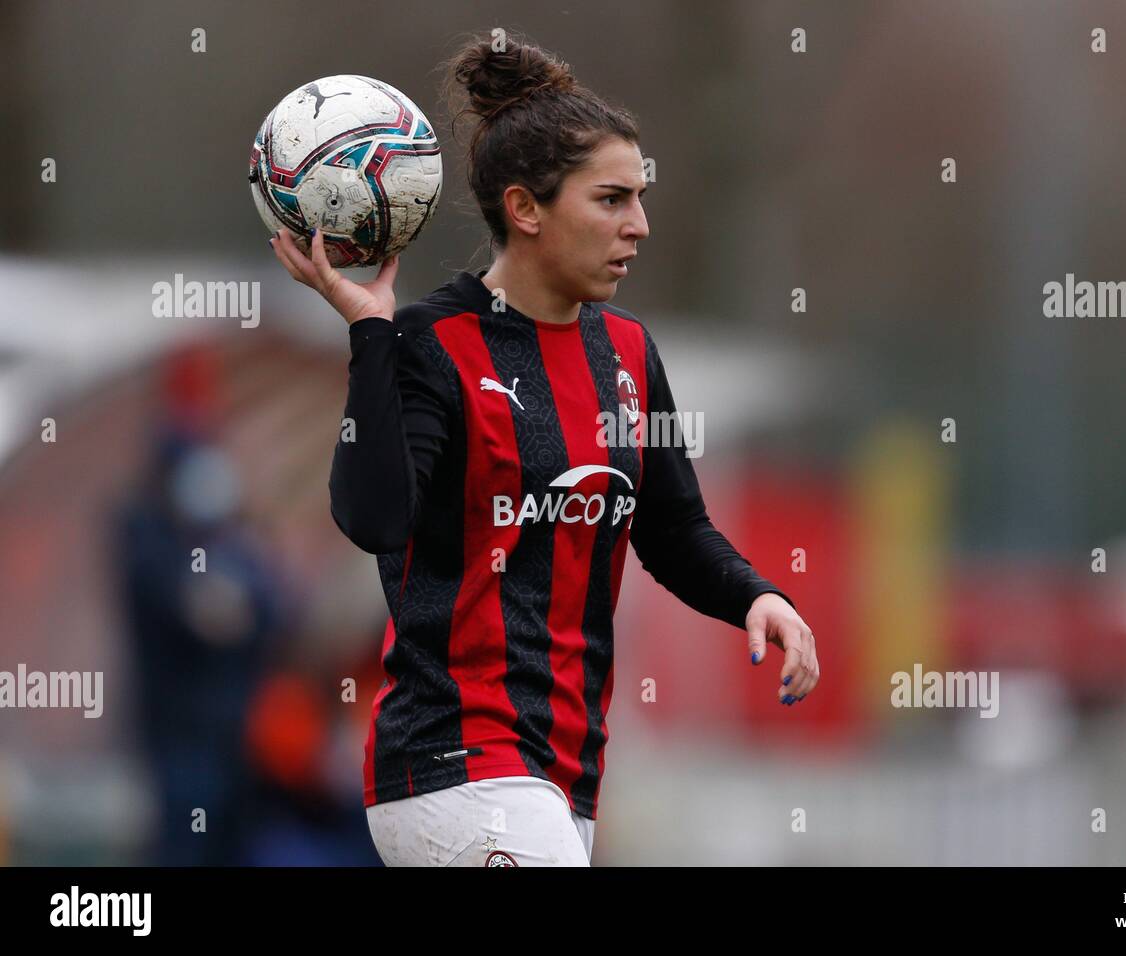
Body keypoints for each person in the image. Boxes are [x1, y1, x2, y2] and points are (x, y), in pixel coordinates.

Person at [268, 34, 819, 867]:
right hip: (450, 761)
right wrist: (371, 333)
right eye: (612, 199)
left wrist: (756, 596)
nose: (640, 223)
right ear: (526, 209)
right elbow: (373, 517)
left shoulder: (629, 354)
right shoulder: (431, 345)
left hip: (566, 770)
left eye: (639, 197)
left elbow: (670, 527)